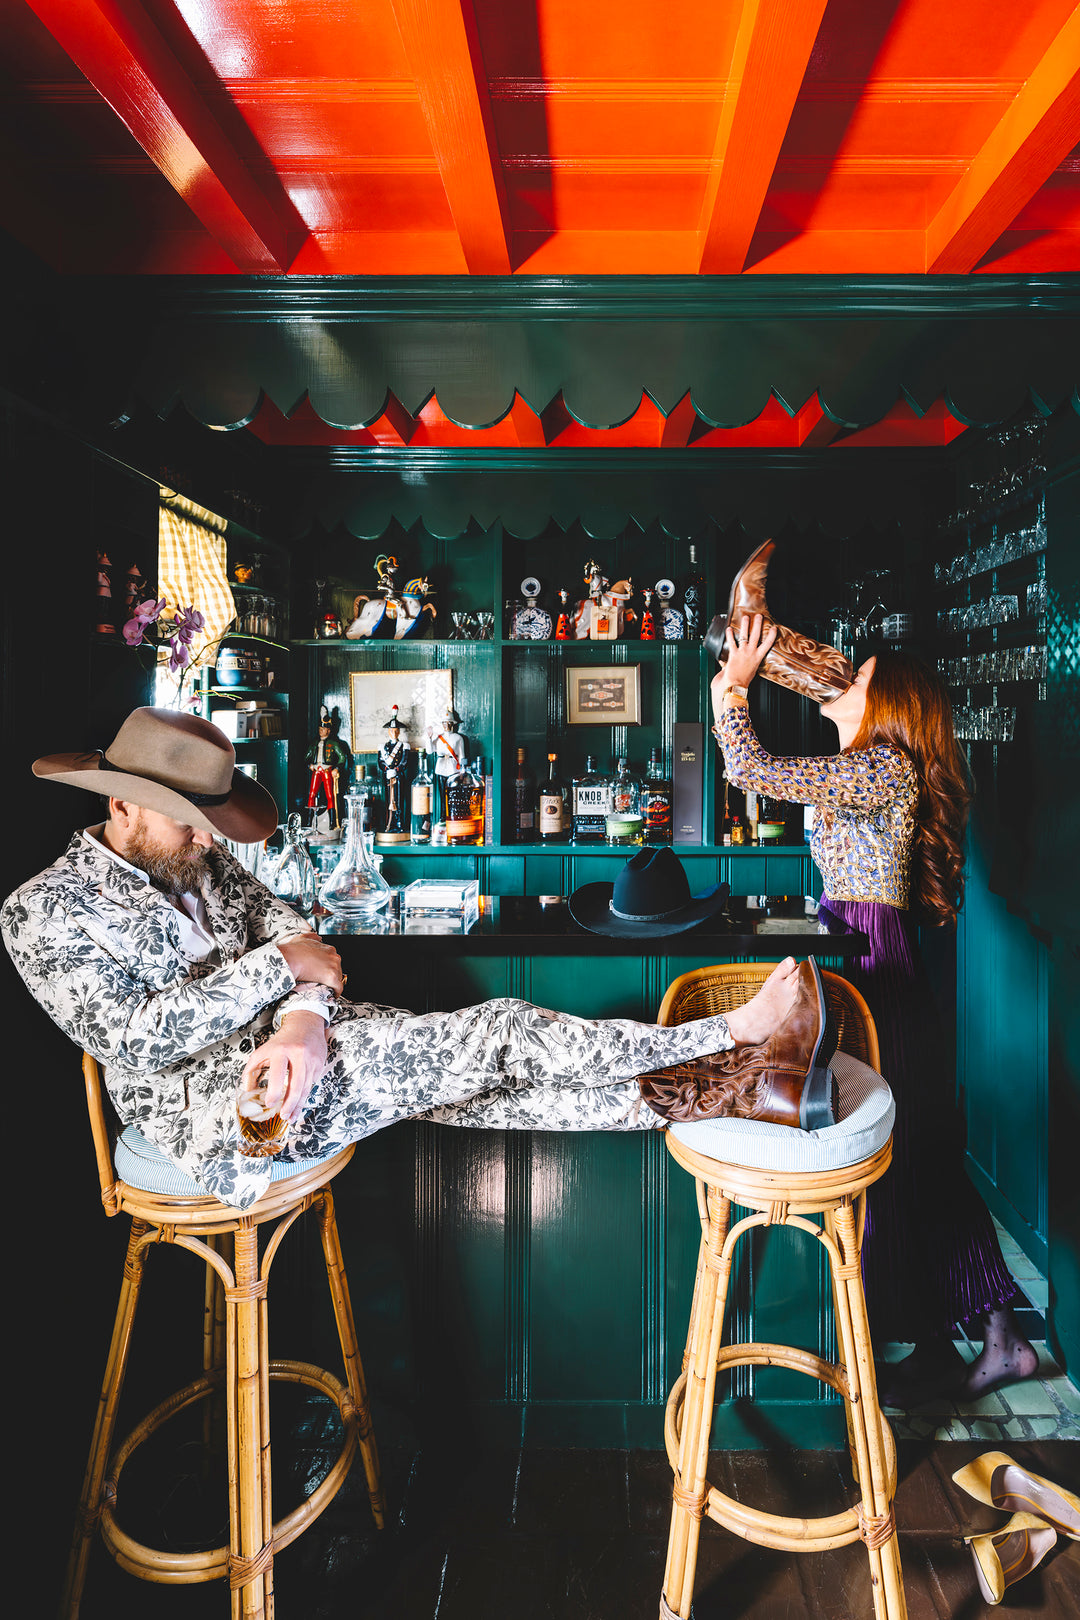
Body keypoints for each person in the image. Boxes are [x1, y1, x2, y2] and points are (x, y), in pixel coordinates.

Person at [2, 707, 807, 1213]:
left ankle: (734, 1092)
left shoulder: (198, 864)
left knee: (486, 1095)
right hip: (221, 1112)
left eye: (210, 818)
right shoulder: (43, 910)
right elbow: (138, 1039)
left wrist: (304, 1018)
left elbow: (294, 931)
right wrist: (285, 972)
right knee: (499, 1034)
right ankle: (728, 1037)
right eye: (187, 820)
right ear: (119, 803)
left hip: (300, 1051)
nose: (209, 838)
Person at [710, 613, 1036, 1406]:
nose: (840, 682)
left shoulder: (881, 767)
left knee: (905, 1148)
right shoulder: (867, 766)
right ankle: (951, 1333)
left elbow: (750, 769)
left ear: (888, 706)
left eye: (856, 679)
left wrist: (734, 687)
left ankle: (996, 1339)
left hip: (874, 964)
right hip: (860, 956)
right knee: (903, 1149)